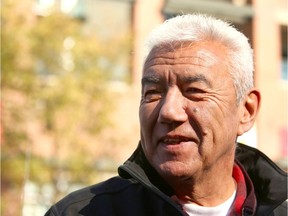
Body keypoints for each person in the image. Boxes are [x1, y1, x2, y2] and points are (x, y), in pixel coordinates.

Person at [45, 14, 287, 216]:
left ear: (246, 111)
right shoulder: (83, 212)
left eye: (194, 91)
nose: (169, 111)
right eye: (153, 92)